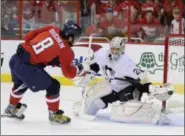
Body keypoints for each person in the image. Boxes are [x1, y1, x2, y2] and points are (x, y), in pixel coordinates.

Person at [73, 37, 174, 125]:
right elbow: (93, 64)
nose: (114, 52)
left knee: (124, 113)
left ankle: (154, 112)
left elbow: (141, 79)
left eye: (117, 49)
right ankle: (83, 108)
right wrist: (85, 71)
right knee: (96, 101)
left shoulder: (126, 63)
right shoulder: (103, 53)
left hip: (127, 90)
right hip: (113, 87)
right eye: (112, 49)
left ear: (122, 49)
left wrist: (152, 89)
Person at [3, 21, 84, 124]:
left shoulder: (52, 29)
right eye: (76, 38)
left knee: (20, 83)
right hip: (28, 68)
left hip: (16, 58)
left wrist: (37, 55)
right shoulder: (66, 50)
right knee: (54, 86)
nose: (76, 41)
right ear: (71, 37)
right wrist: (79, 69)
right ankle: (54, 115)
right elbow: (68, 74)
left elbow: (28, 36)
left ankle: (11, 107)